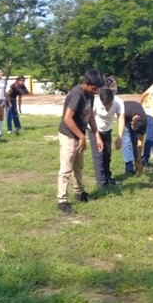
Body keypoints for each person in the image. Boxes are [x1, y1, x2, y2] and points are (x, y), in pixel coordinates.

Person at [57, 69, 103, 214]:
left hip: (79, 135)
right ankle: (62, 201)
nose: (96, 92)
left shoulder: (90, 95)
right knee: (66, 169)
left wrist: (97, 134)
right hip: (69, 135)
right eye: (94, 88)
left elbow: (90, 116)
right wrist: (81, 137)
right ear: (85, 83)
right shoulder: (77, 94)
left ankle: (80, 193)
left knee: (78, 166)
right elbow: (67, 118)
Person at [89, 87, 125, 190]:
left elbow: (121, 119)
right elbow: (91, 118)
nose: (107, 106)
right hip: (94, 129)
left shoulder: (118, 102)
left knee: (107, 155)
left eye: (109, 103)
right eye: (105, 104)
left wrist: (120, 137)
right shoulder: (95, 102)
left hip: (107, 130)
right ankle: (101, 183)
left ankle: (107, 177)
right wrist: (97, 136)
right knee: (99, 156)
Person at [122, 101, 148, 174]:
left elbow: (140, 141)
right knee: (126, 141)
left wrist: (139, 159)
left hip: (134, 112)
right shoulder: (126, 112)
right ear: (131, 123)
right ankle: (129, 167)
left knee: (135, 140)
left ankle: (138, 163)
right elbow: (120, 118)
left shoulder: (144, 121)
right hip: (124, 115)